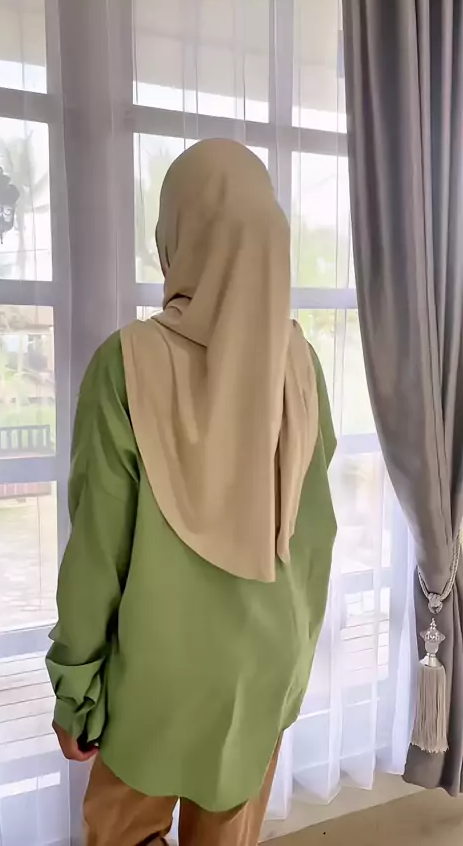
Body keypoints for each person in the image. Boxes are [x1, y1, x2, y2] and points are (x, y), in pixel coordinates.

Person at [47, 139, 337, 846]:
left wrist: (76, 689)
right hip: (261, 676)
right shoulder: (302, 365)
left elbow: (97, 550)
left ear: (176, 237)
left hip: (153, 686)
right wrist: (292, 669)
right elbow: (315, 542)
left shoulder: (127, 364)